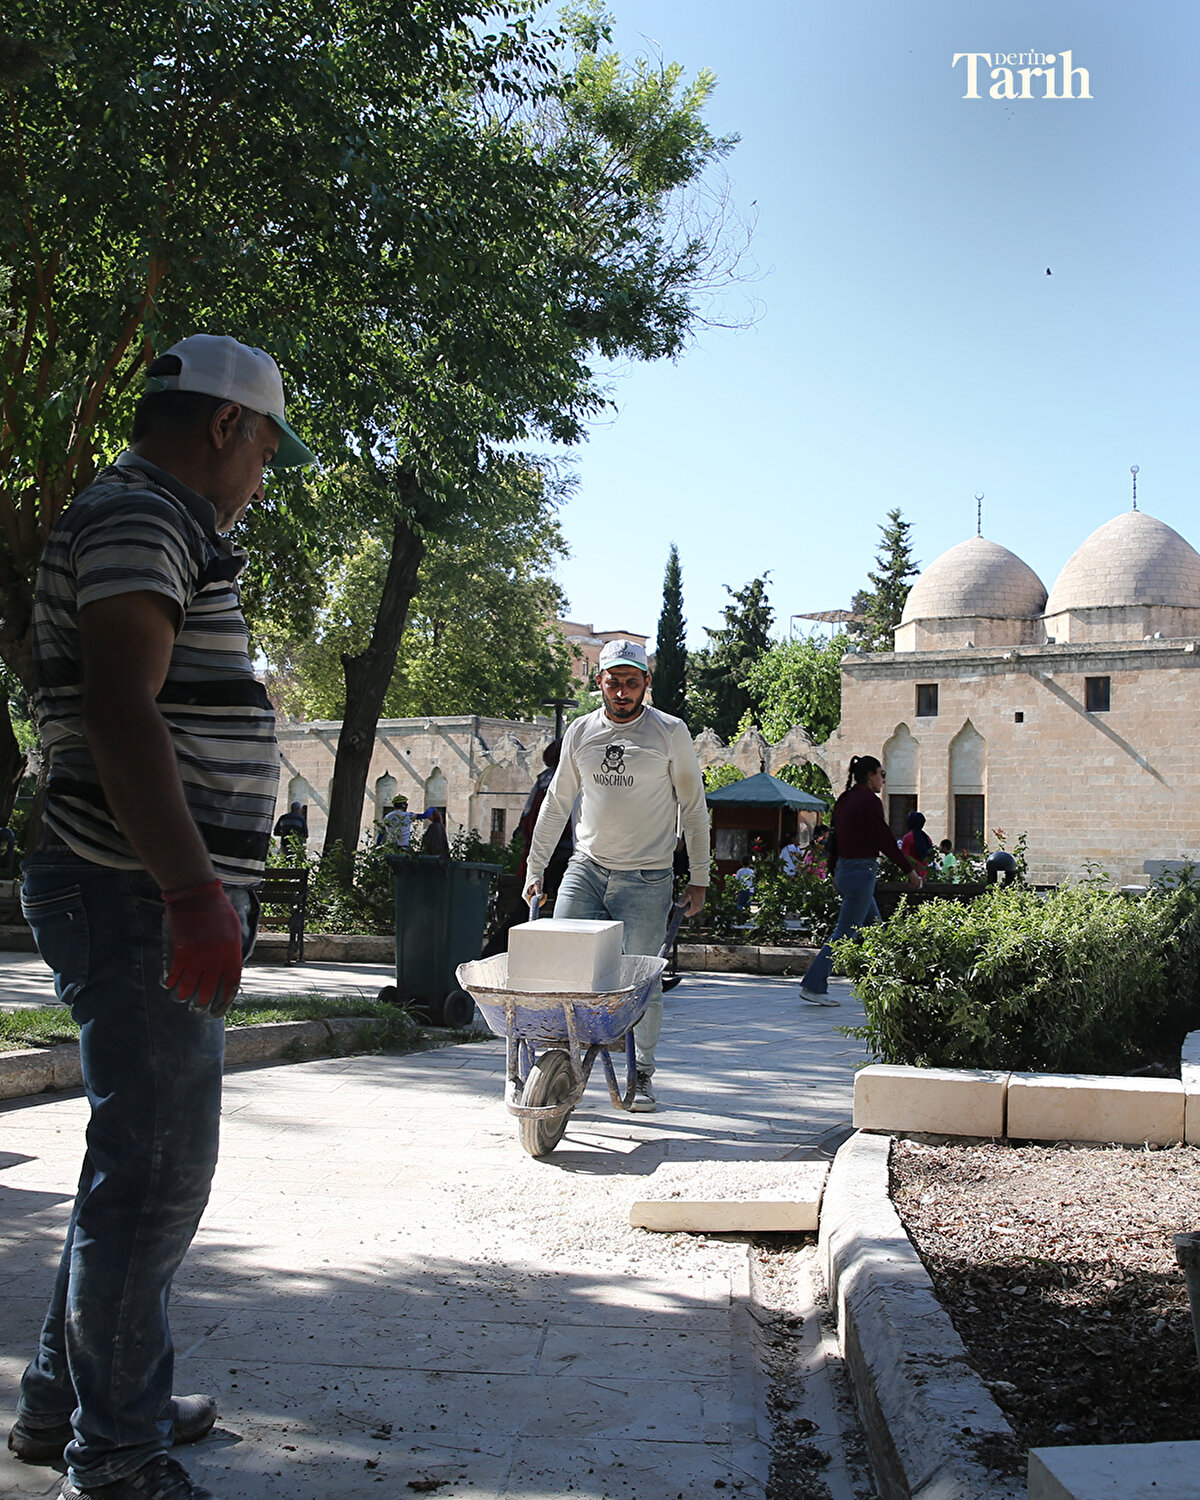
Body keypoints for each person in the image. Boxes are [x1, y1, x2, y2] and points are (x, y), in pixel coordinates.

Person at [9, 334, 314, 1500]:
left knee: (126, 1163)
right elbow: (121, 707)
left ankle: (62, 1403)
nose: (262, 476)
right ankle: (120, 1453)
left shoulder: (156, 519)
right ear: (228, 427)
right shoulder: (144, 513)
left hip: (141, 885)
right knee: (156, 1174)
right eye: (266, 449)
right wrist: (191, 890)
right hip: (133, 888)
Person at [523, 639, 709, 1112]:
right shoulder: (582, 733)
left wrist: (699, 877)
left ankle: (642, 1072)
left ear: (646, 684)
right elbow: (557, 803)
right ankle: (557, 1061)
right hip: (586, 868)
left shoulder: (670, 732)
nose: (622, 692)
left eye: (632, 682)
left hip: (647, 876)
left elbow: (693, 805)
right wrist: (535, 867)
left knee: (642, 979)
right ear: (599, 684)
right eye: (614, 682)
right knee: (560, 967)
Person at [798, 755, 922, 1007]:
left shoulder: (845, 799)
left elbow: (834, 839)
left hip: (846, 871)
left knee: (875, 929)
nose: (884, 780)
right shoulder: (868, 801)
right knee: (845, 933)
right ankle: (813, 984)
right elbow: (884, 838)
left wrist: (834, 872)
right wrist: (908, 870)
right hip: (860, 871)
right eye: (882, 774)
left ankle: (888, 983)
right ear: (870, 775)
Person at [899, 810, 936, 876]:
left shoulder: (908, 838)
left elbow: (904, 858)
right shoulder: (927, 838)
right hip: (925, 873)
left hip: (912, 874)